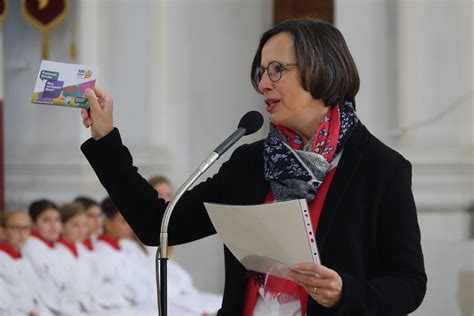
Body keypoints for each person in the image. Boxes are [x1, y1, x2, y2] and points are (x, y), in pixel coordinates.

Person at [80, 18, 427, 315]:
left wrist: (345, 292)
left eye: (278, 70)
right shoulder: (252, 162)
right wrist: (105, 140)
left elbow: (409, 283)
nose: (263, 83)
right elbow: (157, 224)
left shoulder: (381, 168)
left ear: (322, 68)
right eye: (261, 71)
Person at [0, 210, 55, 316]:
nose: (22, 233)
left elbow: (37, 297)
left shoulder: (23, 260)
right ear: (2, 231)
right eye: (15, 228)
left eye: (25, 228)